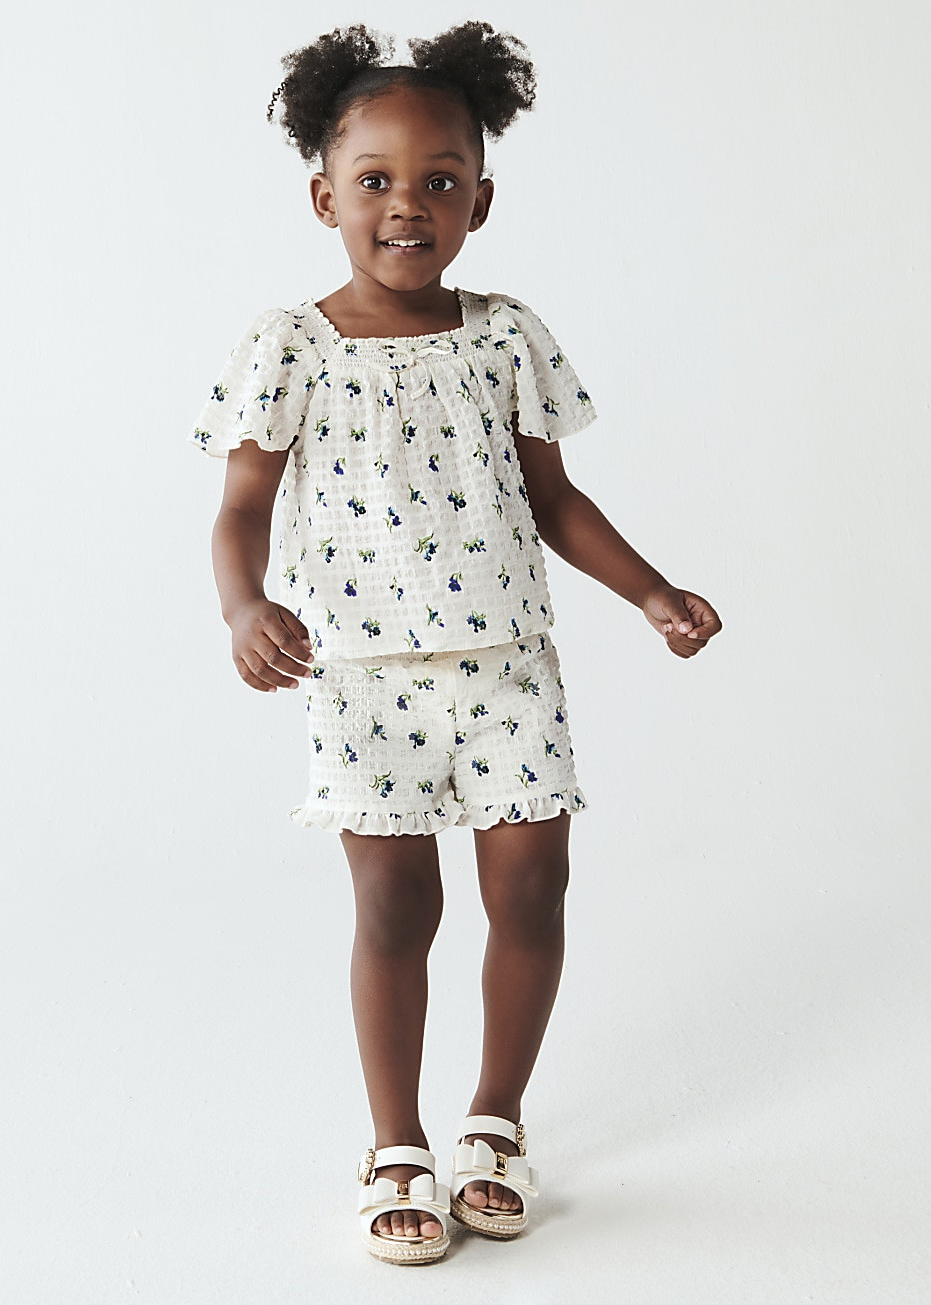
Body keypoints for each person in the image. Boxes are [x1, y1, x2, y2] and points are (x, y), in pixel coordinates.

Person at [187, 21, 722, 1265]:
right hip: (363, 679)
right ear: (324, 197)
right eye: (375, 179)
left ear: (481, 199)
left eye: (440, 179)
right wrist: (243, 606)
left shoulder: (505, 336)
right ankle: (396, 1144)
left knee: (530, 888)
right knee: (397, 905)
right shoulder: (290, 346)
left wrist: (650, 592)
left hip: (506, 670)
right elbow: (242, 508)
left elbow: (554, 500)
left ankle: (494, 1122)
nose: (408, 205)